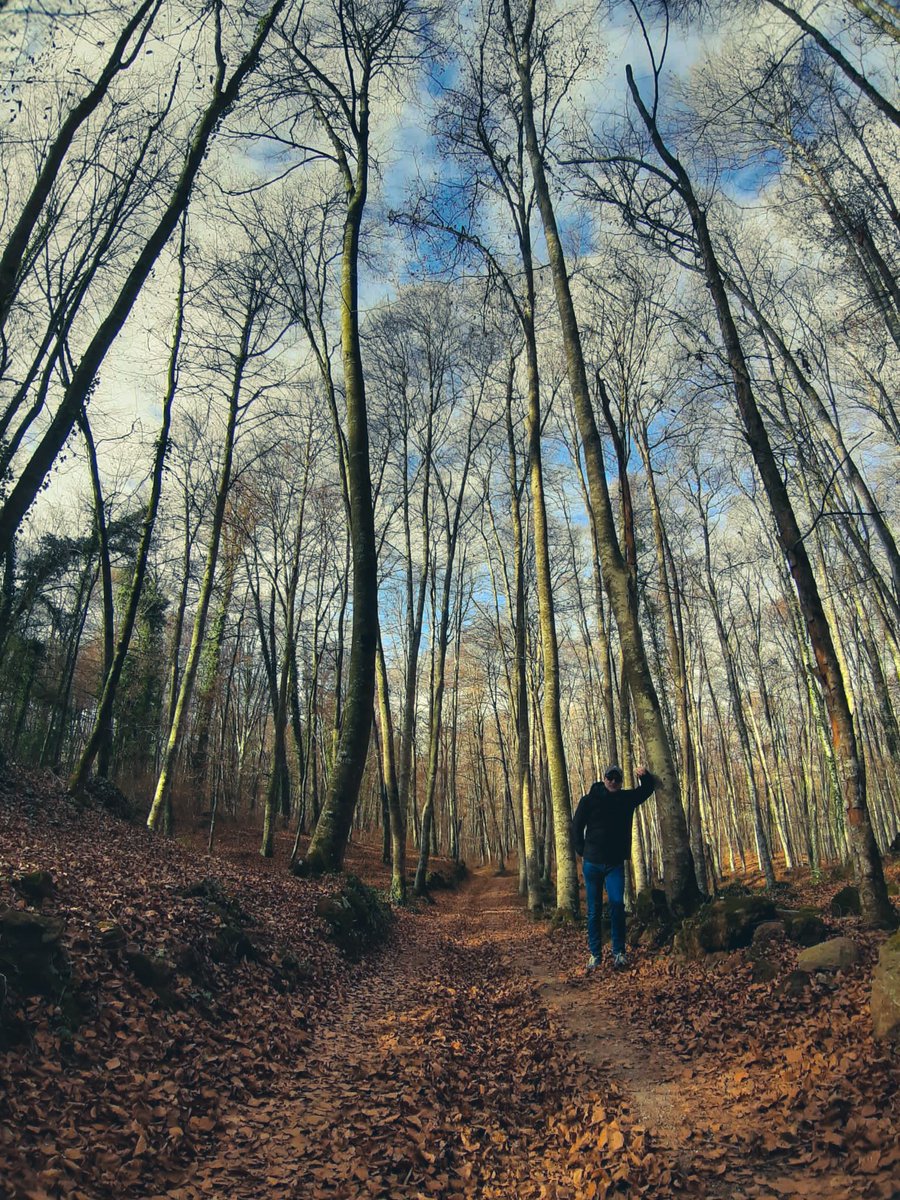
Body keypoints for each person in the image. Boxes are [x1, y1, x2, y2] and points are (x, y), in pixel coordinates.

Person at [571, 764, 658, 972]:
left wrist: (644, 776)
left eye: (617, 778)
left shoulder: (625, 800)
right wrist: (582, 850)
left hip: (614, 865)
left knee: (617, 906)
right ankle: (595, 955)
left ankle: (619, 953)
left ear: (621, 781)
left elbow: (646, 791)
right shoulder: (589, 800)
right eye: (610, 777)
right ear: (604, 778)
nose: (613, 781)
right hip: (592, 864)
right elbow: (576, 826)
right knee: (594, 911)